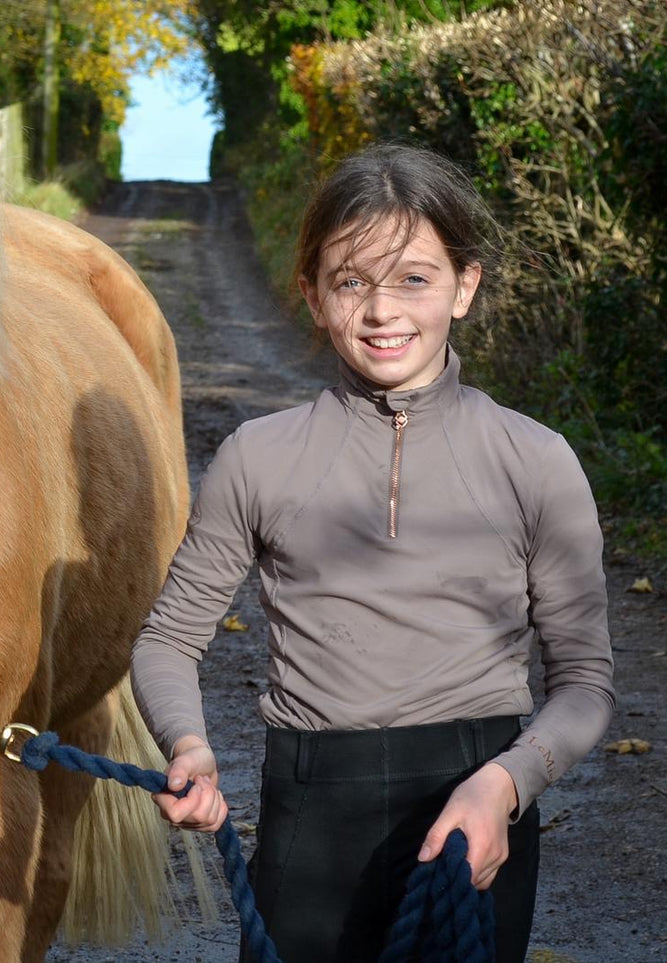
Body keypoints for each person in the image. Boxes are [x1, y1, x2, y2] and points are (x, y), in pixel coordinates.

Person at [130, 143, 615, 962]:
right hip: (308, 821)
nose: (382, 310)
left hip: (477, 809)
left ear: (464, 287)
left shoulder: (535, 458)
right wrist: (188, 745)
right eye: (351, 281)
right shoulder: (258, 455)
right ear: (314, 297)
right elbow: (168, 638)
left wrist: (507, 782)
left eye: (414, 279)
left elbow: (583, 683)